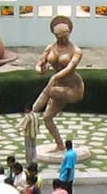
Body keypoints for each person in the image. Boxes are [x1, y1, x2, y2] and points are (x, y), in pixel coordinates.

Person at [29, 16, 85, 151]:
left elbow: (69, 68)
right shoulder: (50, 48)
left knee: (51, 90)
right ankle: (59, 144)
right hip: (56, 86)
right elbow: (39, 64)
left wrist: (55, 77)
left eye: (65, 35)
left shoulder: (76, 51)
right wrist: (41, 70)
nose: (63, 39)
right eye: (60, 36)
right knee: (47, 117)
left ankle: (33, 110)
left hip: (73, 87)